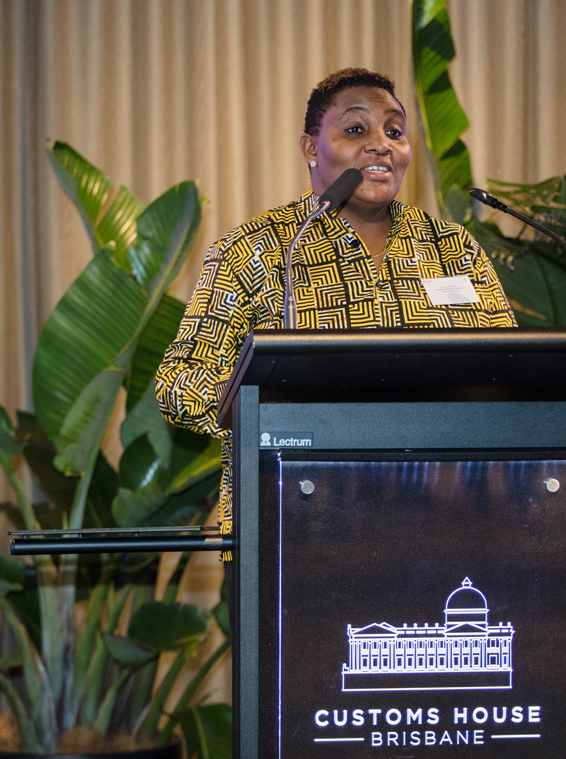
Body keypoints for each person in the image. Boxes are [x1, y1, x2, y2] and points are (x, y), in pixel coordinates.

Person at [155, 68, 516, 558]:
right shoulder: (256, 250)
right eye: (355, 130)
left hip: (446, 531)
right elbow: (179, 382)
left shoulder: (453, 249)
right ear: (310, 148)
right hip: (296, 531)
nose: (380, 145)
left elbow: (509, 374)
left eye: (394, 131)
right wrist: (277, 403)